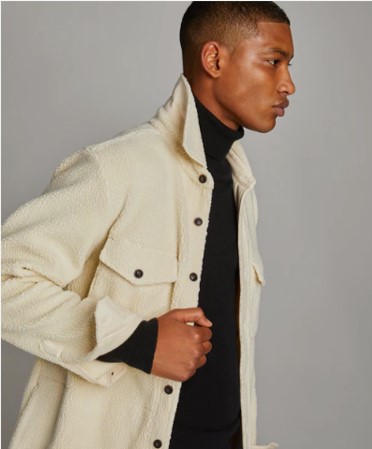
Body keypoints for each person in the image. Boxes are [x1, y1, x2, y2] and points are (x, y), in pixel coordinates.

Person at [1, 2, 295, 449]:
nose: (288, 84)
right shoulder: (117, 167)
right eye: (273, 61)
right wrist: (139, 341)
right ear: (214, 59)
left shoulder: (237, 182)